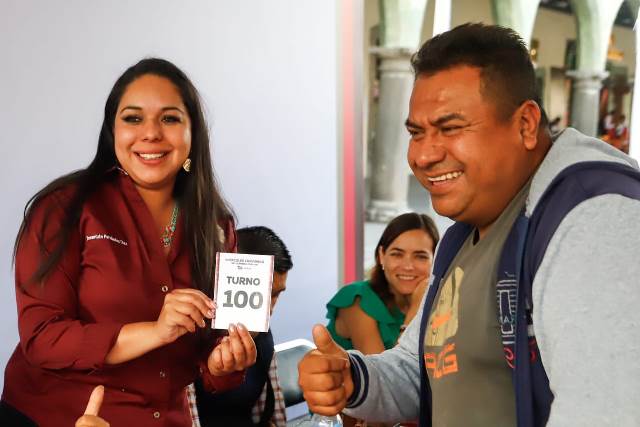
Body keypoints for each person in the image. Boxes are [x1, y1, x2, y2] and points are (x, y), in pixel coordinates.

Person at [298, 23, 640, 427]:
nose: (423, 156)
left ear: (525, 124)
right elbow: (423, 369)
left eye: (450, 128)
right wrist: (354, 379)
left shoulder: (593, 218)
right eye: (417, 133)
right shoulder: (465, 231)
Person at [1, 58, 257, 427]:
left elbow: (212, 352)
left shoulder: (216, 225)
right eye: (133, 118)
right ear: (112, 130)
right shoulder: (63, 208)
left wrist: (223, 362)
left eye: (170, 119)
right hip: (61, 416)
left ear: (193, 133)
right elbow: (42, 337)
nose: (150, 133)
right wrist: (155, 331)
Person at [193, 226, 292, 427]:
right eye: (263, 295)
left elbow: (270, 414)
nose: (269, 309)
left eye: (275, 295)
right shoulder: (190, 336)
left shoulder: (263, 335)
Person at [326, 212, 439, 354]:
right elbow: (390, 367)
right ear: (381, 256)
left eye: (420, 257)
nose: (408, 266)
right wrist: (415, 311)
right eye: (397, 254)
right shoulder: (357, 300)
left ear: (436, 260)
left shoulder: (441, 301)